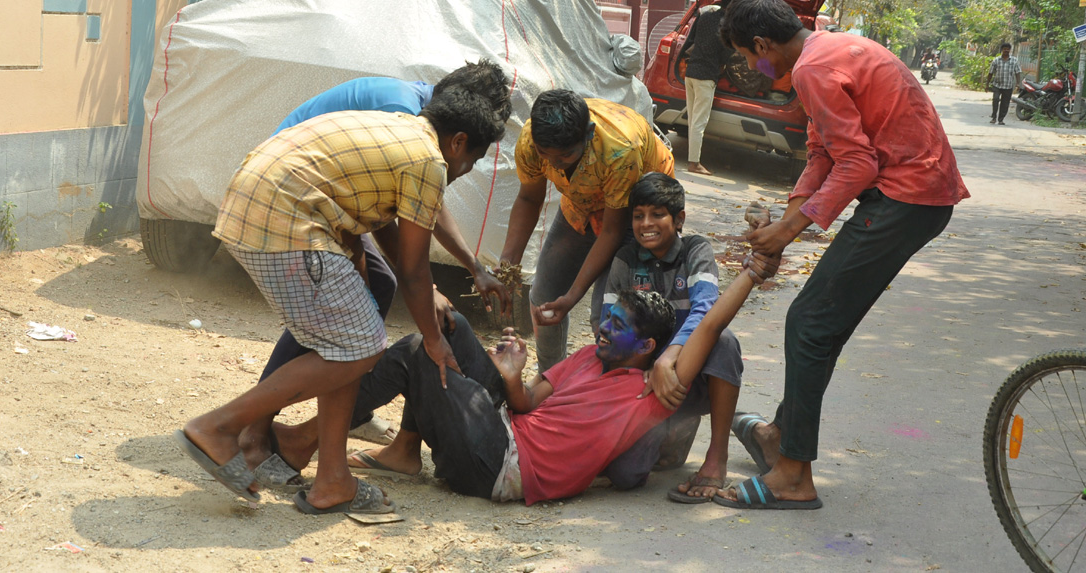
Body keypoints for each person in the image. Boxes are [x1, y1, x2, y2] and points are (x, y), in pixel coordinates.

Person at [174, 88, 506, 514]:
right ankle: (219, 427)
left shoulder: (401, 128)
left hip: (257, 203)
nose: (465, 169)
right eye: (472, 160)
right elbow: (413, 270)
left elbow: (368, 209)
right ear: (458, 141)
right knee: (362, 347)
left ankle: (332, 480)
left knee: (353, 336)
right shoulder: (429, 162)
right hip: (284, 221)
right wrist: (434, 341)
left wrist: (360, 275)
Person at [715, 0, 968, 510]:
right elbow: (821, 152)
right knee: (819, 324)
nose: (752, 68)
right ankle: (780, 437)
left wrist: (787, 234)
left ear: (763, 44)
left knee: (809, 323)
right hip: (916, 192)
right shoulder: (825, 51)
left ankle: (792, 476)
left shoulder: (810, 71)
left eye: (747, 57)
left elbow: (856, 165)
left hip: (908, 196)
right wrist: (787, 220)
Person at [273, 271, 776, 507]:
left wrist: (753, 270)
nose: (602, 328)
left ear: (646, 345)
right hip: (500, 431)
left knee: (415, 350)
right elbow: (528, 404)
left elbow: (710, 327)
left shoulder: (649, 391)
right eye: (606, 317)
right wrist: (513, 375)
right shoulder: (589, 355)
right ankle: (400, 451)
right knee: (447, 329)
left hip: (503, 467)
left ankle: (304, 441)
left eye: (616, 324)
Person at [243, 63, 514, 461]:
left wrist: (473, 266)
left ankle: (348, 408)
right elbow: (392, 216)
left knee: (371, 300)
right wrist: (430, 298)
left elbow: (418, 204)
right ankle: (250, 427)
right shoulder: (404, 116)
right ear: (462, 132)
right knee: (344, 324)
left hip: (317, 193)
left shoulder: (428, 120)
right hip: (300, 194)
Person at [496, 90, 675, 373]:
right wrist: (508, 265)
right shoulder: (532, 138)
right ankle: (552, 379)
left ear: (588, 134)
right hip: (581, 203)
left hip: (635, 212)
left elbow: (612, 232)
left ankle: (604, 389)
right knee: (543, 296)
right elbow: (529, 198)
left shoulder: (620, 149)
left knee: (608, 313)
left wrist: (572, 297)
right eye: (546, 155)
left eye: (566, 155)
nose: (555, 163)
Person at [599, 173, 746, 503]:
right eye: (638, 216)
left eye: (657, 214)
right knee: (626, 474)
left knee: (723, 340)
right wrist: (645, 368)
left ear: (679, 219)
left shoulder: (696, 250)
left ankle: (716, 456)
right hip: (645, 382)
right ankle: (674, 430)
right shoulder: (626, 260)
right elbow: (608, 325)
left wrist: (668, 357)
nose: (646, 224)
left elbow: (706, 308)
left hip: (689, 377)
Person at [678, 0, 737, 176]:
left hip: (691, 72)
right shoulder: (728, 26)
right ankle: (694, 163)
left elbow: (691, 40)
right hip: (706, 76)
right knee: (699, 122)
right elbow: (728, 53)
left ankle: (692, 158)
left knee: (693, 121)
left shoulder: (704, 17)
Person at [988, 42, 1023, 125]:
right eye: (1004, 49)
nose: (1006, 50)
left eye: (1008, 49)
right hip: (997, 84)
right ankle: (993, 117)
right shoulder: (996, 60)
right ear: (1002, 50)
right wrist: (987, 84)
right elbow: (990, 73)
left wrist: (1018, 83)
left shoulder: (1014, 60)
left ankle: (1001, 119)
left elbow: (1017, 72)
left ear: (1010, 50)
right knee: (995, 99)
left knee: (1005, 103)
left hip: (1008, 86)